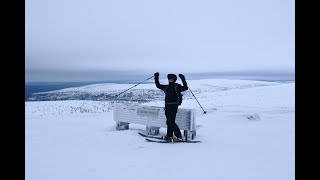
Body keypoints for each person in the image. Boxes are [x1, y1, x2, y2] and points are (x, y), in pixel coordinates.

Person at [154, 72, 188, 141]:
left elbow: (185, 87)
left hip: (174, 106)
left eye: (171, 79)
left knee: (171, 122)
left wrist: (182, 78)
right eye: (169, 79)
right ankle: (169, 135)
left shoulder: (177, 86)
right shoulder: (166, 87)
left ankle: (179, 137)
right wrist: (156, 77)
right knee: (168, 122)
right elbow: (158, 85)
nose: (170, 80)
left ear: (174, 79)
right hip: (167, 106)